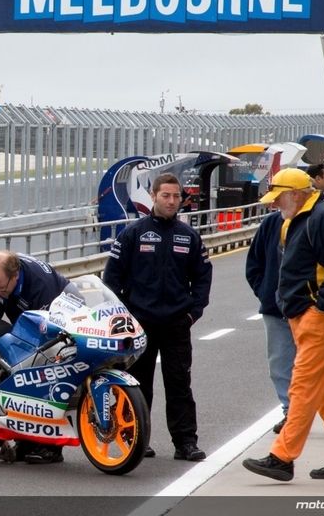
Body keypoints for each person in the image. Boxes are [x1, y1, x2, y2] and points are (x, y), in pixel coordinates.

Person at [242, 167, 324, 481]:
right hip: (305, 314)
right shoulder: (295, 218)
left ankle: (282, 457)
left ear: (296, 195)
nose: (273, 204)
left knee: (303, 385)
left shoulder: (323, 218)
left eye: (278, 197)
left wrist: (321, 306)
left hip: (322, 316)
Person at [102, 172, 212, 462]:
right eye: (166, 195)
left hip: (177, 324)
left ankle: (186, 443)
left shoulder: (189, 236)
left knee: (179, 385)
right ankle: (135, 440)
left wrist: (193, 313)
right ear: (153, 196)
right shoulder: (133, 233)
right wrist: (125, 316)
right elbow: (111, 279)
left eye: (176, 196)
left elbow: (203, 277)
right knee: (137, 385)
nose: (172, 201)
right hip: (140, 325)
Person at [0, 250, 72, 464]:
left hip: (60, 315)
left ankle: (51, 446)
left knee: (44, 373)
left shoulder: (40, 284)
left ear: (15, 275)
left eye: (1, 288)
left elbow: (45, 336)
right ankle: (24, 440)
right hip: (23, 316)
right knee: (14, 369)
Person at [245, 208, 294, 434]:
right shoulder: (272, 223)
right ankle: (290, 413)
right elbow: (254, 263)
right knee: (280, 365)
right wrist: (266, 293)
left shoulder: (319, 219)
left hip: (312, 310)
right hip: (276, 311)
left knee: (321, 368)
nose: (274, 202)